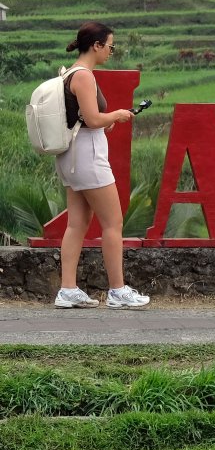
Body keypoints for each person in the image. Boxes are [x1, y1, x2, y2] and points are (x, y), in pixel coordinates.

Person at [54, 21, 149, 310]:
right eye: (110, 46)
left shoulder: (67, 73)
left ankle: (68, 289)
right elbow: (93, 119)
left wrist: (105, 121)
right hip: (88, 157)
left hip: (71, 156)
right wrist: (117, 114)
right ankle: (118, 290)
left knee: (77, 224)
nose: (111, 51)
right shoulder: (84, 76)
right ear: (96, 45)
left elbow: (83, 119)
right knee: (113, 223)